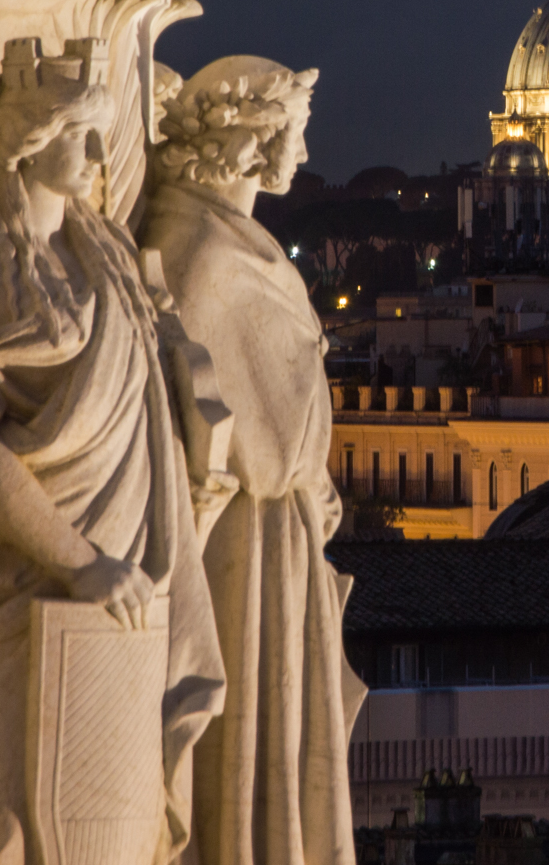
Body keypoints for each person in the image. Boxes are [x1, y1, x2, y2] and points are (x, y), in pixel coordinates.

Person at [0, 41, 223, 865]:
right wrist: (74, 559)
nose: (104, 157)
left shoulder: (103, 250)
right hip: (6, 582)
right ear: (30, 140)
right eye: (84, 136)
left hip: (117, 573)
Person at [142, 57, 364, 865]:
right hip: (248, 538)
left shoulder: (226, 240)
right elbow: (254, 442)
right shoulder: (197, 251)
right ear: (249, 139)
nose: (300, 154)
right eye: (292, 133)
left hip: (280, 533)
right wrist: (304, 473)